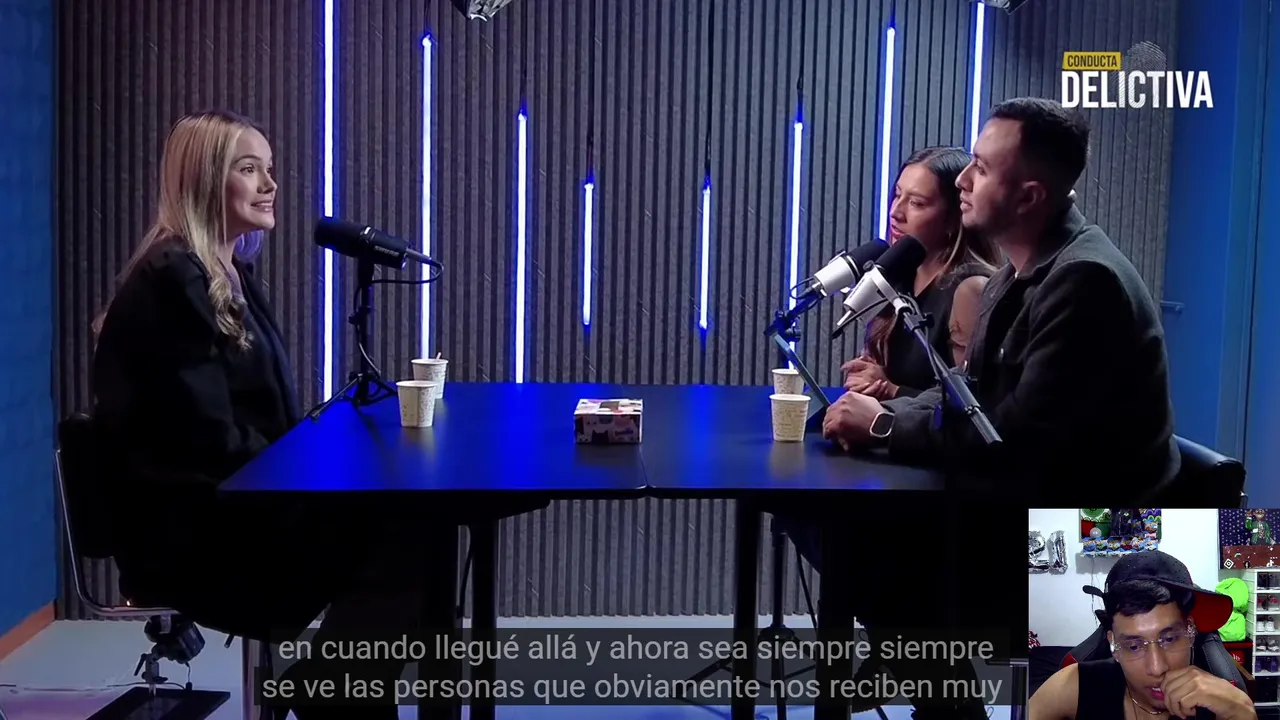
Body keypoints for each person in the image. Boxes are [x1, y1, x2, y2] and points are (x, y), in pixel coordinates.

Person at [91, 110, 454, 718]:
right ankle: (334, 694)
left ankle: (332, 690)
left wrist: (325, 458)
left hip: (245, 504)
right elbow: (208, 438)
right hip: (202, 530)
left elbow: (260, 419)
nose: (270, 185)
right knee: (407, 531)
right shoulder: (173, 278)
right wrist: (317, 472)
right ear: (206, 180)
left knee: (414, 523)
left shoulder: (228, 274)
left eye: (269, 168)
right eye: (248, 169)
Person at [822, 97, 1180, 503]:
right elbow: (968, 394)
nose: (963, 180)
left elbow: (1011, 440)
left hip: (1106, 528)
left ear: (1029, 198)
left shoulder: (1085, 281)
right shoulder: (1013, 275)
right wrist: (884, 412)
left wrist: (885, 426)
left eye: (981, 168)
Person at [841, 145, 1002, 400]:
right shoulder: (901, 275)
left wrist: (891, 390)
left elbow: (972, 405)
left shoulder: (970, 289)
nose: (896, 212)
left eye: (916, 203)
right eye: (897, 195)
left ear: (954, 217)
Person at [1029, 551, 1255, 719]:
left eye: (1169, 639)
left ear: (1191, 631)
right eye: (1134, 646)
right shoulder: (1075, 686)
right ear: (1114, 645)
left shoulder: (1220, 708)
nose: (1157, 668)